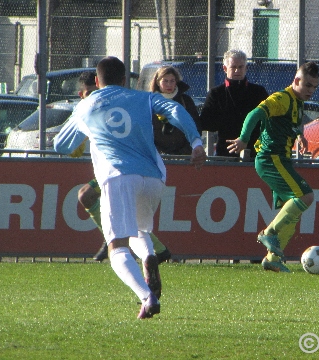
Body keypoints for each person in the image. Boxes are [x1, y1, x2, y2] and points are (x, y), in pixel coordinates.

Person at [54, 57, 206, 319]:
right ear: (125, 80)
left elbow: (61, 146)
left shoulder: (86, 105)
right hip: (154, 176)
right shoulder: (143, 98)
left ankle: (147, 297)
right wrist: (195, 142)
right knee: (139, 229)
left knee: (117, 247)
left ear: (98, 82)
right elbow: (176, 111)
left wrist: (88, 131)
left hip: (118, 176)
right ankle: (148, 256)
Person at [226, 62, 319, 273]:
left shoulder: (297, 101)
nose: (311, 91)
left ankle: (272, 259)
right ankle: (269, 233)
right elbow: (255, 114)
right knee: (306, 196)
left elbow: (289, 123)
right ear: (296, 80)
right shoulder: (282, 98)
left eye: (314, 87)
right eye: (307, 85)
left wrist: (300, 136)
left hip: (282, 159)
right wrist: (243, 139)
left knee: (293, 213)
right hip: (271, 159)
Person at [74, 71, 173, 264]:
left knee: (95, 199)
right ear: (82, 95)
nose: (96, 96)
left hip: (125, 168)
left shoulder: (115, 106)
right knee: (89, 196)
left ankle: (124, 244)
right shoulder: (84, 112)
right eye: (90, 93)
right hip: (113, 169)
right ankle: (152, 250)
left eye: (97, 91)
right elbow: (71, 147)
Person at [199, 49, 268, 160]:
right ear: (225, 68)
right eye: (233, 67)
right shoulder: (216, 93)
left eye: (240, 67)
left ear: (246, 68)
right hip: (226, 150)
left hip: (255, 150)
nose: (237, 71)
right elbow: (206, 123)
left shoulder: (258, 92)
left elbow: (268, 118)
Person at [149, 65, 201, 155]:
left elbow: (196, 126)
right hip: (157, 156)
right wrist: (157, 152)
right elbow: (144, 130)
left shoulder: (185, 101)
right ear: (157, 82)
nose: (169, 85)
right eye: (165, 81)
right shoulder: (150, 102)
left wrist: (185, 151)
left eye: (172, 81)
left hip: (183, 155)